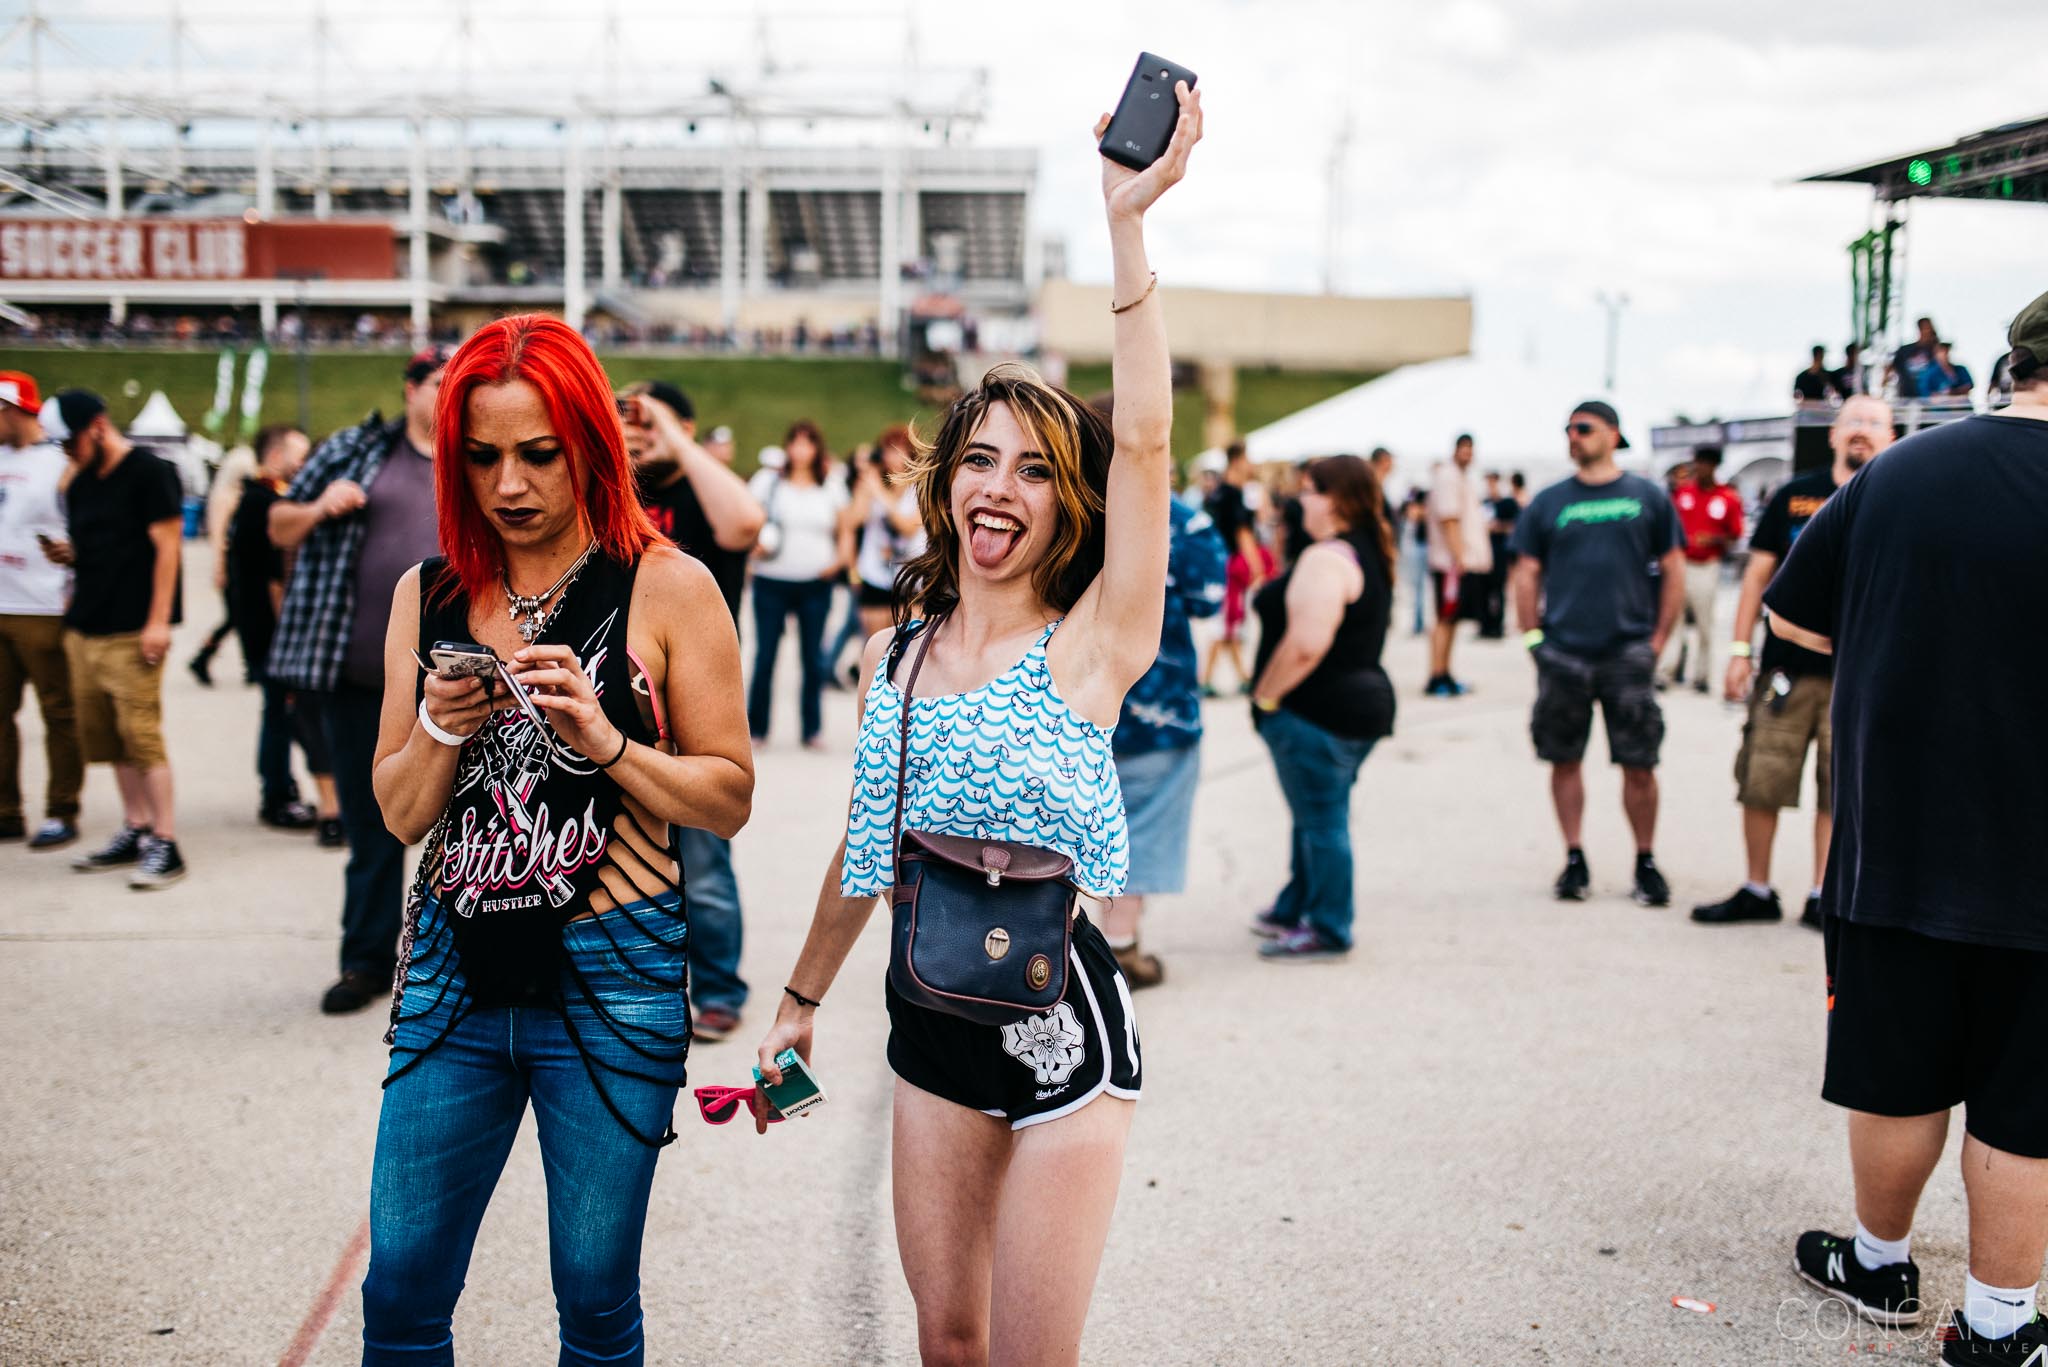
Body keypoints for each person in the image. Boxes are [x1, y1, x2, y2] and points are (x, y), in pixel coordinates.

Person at [750, 84, 1200, 1366]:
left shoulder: (1096, 641)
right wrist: (795, 1001)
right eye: (978, 458)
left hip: (1061, 1029)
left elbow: (1149, 446)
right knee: (947, 1343)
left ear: (1067, 504)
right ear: (946, 483)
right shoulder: (892, 659)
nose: (998, 487)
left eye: (1034, 468)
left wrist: (1124, 232)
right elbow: (862, 846)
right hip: (926, 1019)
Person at [359, 314, 754, 1366]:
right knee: (398, 1283)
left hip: (612, 967)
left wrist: (607, 737)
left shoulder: (667, 584)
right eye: (480, 455)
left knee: (591, 1290)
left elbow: (725, 797)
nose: (509, 484)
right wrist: (443, 722)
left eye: (539, 453)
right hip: (453, 967)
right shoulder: (430, 591)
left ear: (590, 438)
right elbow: (400, 812)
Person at [1768, 291, 2048, 1365]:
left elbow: (1792, 617)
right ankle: (1993, 1327)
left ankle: (1877, 1260)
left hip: (1898, 836)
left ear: (2007, 365)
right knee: (2022, 1104)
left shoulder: (1896, 470)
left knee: (1897, 1070)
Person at [269, 346, 451, 1014]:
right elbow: (276, 522)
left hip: (456, 680)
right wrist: (319, 506)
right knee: (373, 825)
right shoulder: (354, 451)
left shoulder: (481, 457)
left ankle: (457, 962)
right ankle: (367, 959)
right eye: (439, 382)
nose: (449, 393)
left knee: (467, 827)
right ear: (410, 388)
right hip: (357, 676)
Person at [1692, 396, 1894, 929]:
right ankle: (1757, 889)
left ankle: (1821, 897)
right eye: (1852, 421)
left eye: (1874, 424)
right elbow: (1757, 576)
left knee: (1840, 790)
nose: (1861, 432)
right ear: (1832, 434)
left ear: (1892, 436)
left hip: (1858, 678)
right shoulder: (1795, 494)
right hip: (1785, 670)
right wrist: (1738, 652)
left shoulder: (1901, 496)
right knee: (1762, 780)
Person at [622, 378, 766, 1042]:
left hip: (696, 710)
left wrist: (670, 434)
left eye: (648, 417)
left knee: (703, 866)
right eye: (624, 415)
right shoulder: (615, 493)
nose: (636, 426)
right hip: (620, 706)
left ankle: (717, 990)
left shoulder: (703, 492)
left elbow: (743, 523)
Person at [1509, 400, 1685, 906]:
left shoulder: (1647, 497)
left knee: (1639, 762)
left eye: (1583, 428)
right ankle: (1573, 858)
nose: (1573, 436)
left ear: (1613, 434)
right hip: (1563, 652)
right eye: (1568, 429)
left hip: (1627, 650)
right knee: (1564, 758)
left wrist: (1656, 642)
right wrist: (1533, 638)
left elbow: (1673, 568)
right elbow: (1526, 572)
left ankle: (1645, 860)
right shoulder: (1547, 502)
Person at [1246, 454, 1396, 961]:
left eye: (1309, 490)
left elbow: (1307, 643)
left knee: (1322, 821)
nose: (1299, 500)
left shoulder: (1328, 558)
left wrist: (1266, 694)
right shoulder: (1364, 550)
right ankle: (1297, 903)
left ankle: (1330, 926)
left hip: (1321, 713)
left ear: (1334, 499)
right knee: (1312, 814)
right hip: (1352, 707)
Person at [39, 389, 188, 888]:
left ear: (98, 425)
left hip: (132, 629)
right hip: (86, 625)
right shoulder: (80, 480)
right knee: (108, 737)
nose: (67, 451)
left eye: (71, 441)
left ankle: (165, 842)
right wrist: (70, 555)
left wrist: (158, 621)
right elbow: (95, 542)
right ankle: (136, 826)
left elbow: (168, 551)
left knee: (142, 735)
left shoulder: (150, 473)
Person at [1106, 453, 1227, 987]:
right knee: (1144, 830)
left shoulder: (1069, 510)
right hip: (1161, 703)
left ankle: (1050, 944)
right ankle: (1120, 946)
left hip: (1070, 698)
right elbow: (1208, 599)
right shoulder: (1184, 521)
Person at [228, 423, 342, 840]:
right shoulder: (266, 502)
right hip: (272, 631)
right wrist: (286, 638)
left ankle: (281, 788)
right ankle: (277, 793)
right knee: (284, 714)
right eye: (297, 452)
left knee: (281, 712)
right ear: (275, 455)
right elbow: (275, 579)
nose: (302, 461)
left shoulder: (258, 498)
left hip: (264, 628)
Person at [0, 370, 81, 849]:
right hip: (1, 601)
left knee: (59, 713)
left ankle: (62, 809)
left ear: (17, 411)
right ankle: (6, 809)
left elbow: (84, 525)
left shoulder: (59, 463)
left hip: (44, 605)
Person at [745, 418, 847, 748]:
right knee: (765, 656)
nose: (801, 449)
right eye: (796, 442)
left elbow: (844, 528)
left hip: (815, 581)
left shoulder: (829, 483)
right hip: (772, 579)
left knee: (812, 657)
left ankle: (812, 729)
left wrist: (839, 562)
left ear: (816, 448)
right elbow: (746, 517)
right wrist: (754, 545)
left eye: (808, 442)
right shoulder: (769, 481)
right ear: (788, 446)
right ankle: (757, 727)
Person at [1659, 446, 1742, 693]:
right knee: (1674, 619)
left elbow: (1735, 535)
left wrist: (1713, 539)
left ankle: (1702, 676)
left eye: (1706, 464)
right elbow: (1667, 527)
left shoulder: (1726, 498)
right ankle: (1667, 671)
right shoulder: (1682, 494)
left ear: (1715, 466)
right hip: (1681, 563)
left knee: (1705, 624)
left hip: (1707, 565)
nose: (1701, 468)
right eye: (1698, 463)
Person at [843, 424, 926, 642]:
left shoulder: (919, 489)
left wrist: (879, 493)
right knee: (875, 645)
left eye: (900, 451)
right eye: (889, 451)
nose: (894, 458)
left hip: (909, 578)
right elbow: (853, 520)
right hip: (874, 575)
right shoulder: (872, 483)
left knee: (907, 645)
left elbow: (908, 528)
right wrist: (866, 485)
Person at [1424, 433, 1491, 696]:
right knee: (1444, 618)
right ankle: (1436, 674)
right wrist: (1459, 556)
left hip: (1455, 562)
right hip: (1449, 564)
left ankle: (1445, 672)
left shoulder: (1460, 476)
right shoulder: (1448, 476)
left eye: (1471, 450)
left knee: (1451, 620)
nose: (1468, 454)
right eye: (1464, 449)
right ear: (1455, 450)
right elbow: (1449, 518)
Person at [1199, 440, 1268, 696]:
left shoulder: (1218, 492)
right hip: (1231, 565)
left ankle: (1242, 676)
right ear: (1238, 460)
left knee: (1231, 624)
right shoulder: (1232, 493)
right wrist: (1257, 565)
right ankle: (1206, 679)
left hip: (1219, 563)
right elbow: (1242, 533)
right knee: (1226, 622)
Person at [188, 441, 258, 687]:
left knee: (237, 616)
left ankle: (213, 658)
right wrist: (219, 568)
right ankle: (204, 657)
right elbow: (218, 536)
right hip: (229, 562)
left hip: (235, 560)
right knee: (235, 617)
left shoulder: (237, 493)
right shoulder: (225, 496)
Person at [1477, 469, 1512, 638]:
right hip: (1483, 553)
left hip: (1499, 552)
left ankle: (1498, 626)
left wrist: (1499, 527)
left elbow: (1515, 526)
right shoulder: (1483, 503)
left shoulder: (1507, 504)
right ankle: (1485, 625)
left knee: (1498, 591)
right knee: (1483, 590)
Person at [1888, 317, 1939, 399]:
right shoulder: (1905, 350)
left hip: (1929, 398)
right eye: (1926, 328)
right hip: (1906, 396)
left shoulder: (1936, 351)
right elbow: (1890, 368)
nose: (1928, 331)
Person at [1400, 489, 1429, 635]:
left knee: (1420, 589)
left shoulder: (1423, 512)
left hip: (1421, 548)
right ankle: (1418, 622)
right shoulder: (1414, 513)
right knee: (1417, 588)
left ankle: (1420, 622)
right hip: (1416, 548)